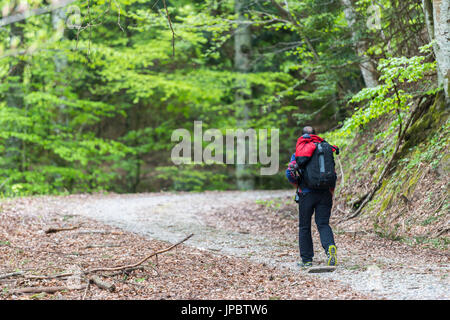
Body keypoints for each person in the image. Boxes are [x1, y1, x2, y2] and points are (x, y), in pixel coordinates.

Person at [286, 126, 339, 268]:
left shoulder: (299, 152)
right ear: (315, 135)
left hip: (306, 194)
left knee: (304, 226)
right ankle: (330, 248)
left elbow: (290, 173)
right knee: (323, 224)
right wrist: (331, 191)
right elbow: (333, 173)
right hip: (325, 193)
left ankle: (307, 260)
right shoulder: (325, 149)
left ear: (302, 136)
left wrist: (298, 185)